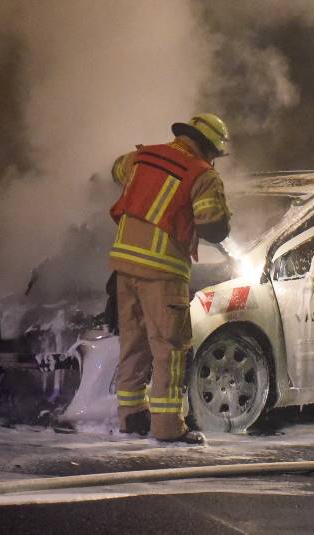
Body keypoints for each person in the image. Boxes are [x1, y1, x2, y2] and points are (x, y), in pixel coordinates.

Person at [109, 113, 232, 444]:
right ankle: (167, 428)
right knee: (170, 349)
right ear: (209, 147)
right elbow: (213, 226)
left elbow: (115, 171)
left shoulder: (141, 156)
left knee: (132, 344)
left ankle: (131, 417)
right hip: (163, 271)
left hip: (124, 266)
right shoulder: (202, 175)